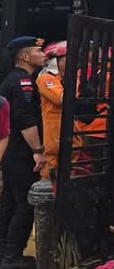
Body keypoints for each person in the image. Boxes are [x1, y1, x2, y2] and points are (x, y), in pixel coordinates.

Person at [0, 36, 46, 269]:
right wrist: (38, 150)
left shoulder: (13, 80)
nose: (44, 54)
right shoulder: (22, 83)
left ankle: (4, 253)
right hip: (20, 153)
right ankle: (12, 256)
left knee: (9, 202)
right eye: (39, 50)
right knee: (25, 203)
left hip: (11, 153)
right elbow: (25, 120)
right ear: (25, 57)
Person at [36, 41, 67, 181]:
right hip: (54, 141)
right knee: (51, 177)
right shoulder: (47, 78)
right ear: (56, 61)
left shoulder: (63, 80)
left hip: (67, 137)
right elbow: (61, 98)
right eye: (66, 59)